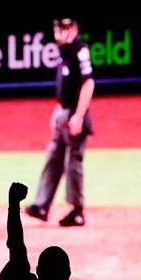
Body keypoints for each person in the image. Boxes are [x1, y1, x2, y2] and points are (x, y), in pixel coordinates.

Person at [26, 17, 96, 227]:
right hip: (62, 113)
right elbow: (66, 86)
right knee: (53, 158)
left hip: (75, 114)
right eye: (57, 28)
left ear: (74, 28)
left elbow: (88, 83)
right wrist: (57, 111)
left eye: (65, 27)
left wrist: (79, 116)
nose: (60, 32)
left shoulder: (80, 50)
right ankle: (42, 206)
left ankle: (77, 210)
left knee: (73, 163)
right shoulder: (64, 51)